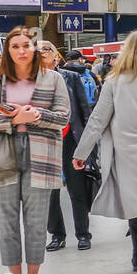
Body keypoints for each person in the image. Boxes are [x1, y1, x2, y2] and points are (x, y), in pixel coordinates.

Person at [71, 33, 137, 274]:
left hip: (125, 154)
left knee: (135, 204)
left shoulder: (113, 81)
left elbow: (98, 120)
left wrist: (82, 153)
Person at [0, 27, 71, 274]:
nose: (22, 51)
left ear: (34, 48)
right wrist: (13, 119)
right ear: (7, 51)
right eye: (15, 46)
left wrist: (36, 115)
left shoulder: (53, 79)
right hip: (2, 152)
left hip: (42, 152)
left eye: (26, 45)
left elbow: (63, 117)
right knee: (6, 219)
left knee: (36, 220)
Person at [42, 43, 94, 253]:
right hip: (44, 142)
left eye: (47, 49)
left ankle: (83, 234)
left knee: (77, 189)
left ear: (56, 57)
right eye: (38, 50)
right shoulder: (29, 81)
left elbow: (83, 110)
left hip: (71, 138)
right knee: (50, 192)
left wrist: (88, 144)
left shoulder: (70, 77)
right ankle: (57, 234)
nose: (42, 53)